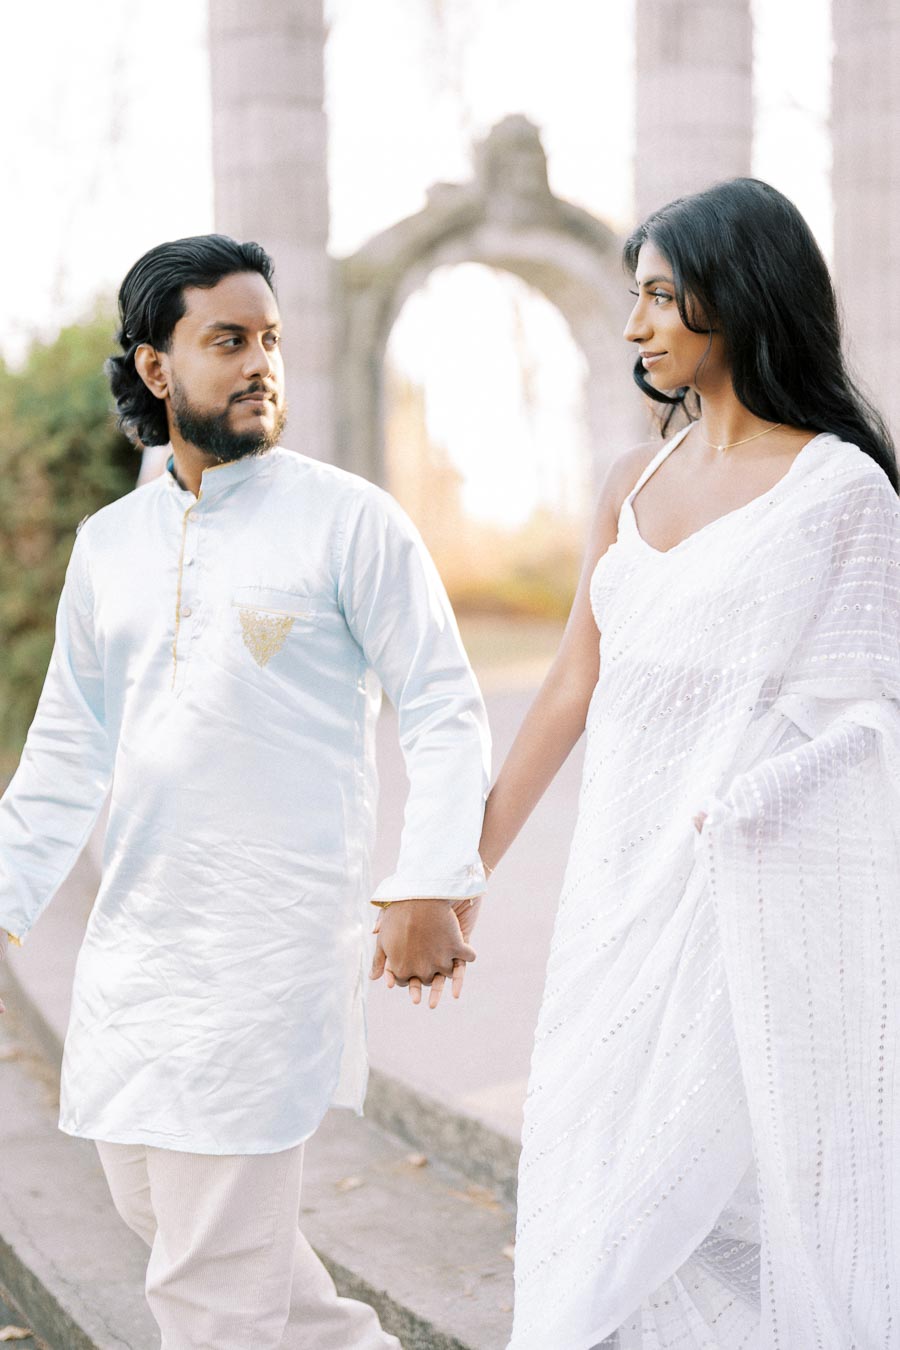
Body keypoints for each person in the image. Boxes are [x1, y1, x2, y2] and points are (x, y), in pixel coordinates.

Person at [0, 233, 490, 1349]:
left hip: (272, 946)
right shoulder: (109, 547)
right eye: (229, 340)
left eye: (270, 338)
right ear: (157, 366)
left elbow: (443, 707)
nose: (261, 361)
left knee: (210, 1287)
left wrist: (429, 879)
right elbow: (68, 747)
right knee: (157, 1206)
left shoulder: (349, 522)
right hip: (138, 945)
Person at [473, 179, 900, 1348]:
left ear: (743, 294)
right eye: (635, 297)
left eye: (662, 295)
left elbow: (868, 717)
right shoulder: (635, 481)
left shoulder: (842, 493)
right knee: (598, 1167)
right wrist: (464, 864)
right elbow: (571, 683)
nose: (636, 326)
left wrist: (759, 807)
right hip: (615, 902)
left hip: (749, 900)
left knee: (713, 1189)